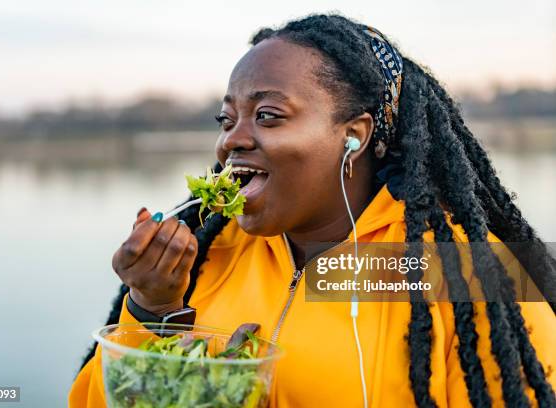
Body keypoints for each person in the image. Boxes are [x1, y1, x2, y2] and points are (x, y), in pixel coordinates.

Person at [69, 14, 556, 407]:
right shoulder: (206, 256)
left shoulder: (475, 274)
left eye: (268, 116)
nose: (231, 139)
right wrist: (152, 311)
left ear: (355, 135)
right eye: (227, 118)